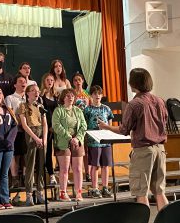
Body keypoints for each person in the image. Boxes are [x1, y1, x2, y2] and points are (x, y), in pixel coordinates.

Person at [98, 68, 169, 210]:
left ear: (133, 83)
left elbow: (124, 129)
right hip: (160, 150)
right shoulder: (160, 101)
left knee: (141, 193)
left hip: (143, 151)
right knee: (159, 192)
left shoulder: (134, 104)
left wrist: (106, 127)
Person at [52, 89, 87, 202]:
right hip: (63, 141)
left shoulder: (78, 110)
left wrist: (77, 138)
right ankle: (63, 193)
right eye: (67, 96)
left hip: (77, 141)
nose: (70, 98)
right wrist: (69, 138)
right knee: (64, 169)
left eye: (72, 96)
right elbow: (56, 126)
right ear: (63, 98)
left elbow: (83, 125)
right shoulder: (58, 110)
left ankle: (78, 192)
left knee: (77, 168)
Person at [19, 84, 48, 206]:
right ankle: (29, 194)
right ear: (28, 93)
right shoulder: (23, 106)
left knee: (42, 164)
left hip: (42, 135)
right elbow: (24, 125)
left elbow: (45, 124)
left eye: (38, 91)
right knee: (30, 165)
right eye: (33, 91)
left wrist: (44, 139)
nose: (36, 93)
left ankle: (40, 192)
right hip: (31, 134)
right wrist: (36, 138)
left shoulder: (40, 106)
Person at [84, 85, 114, 198]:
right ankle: (95, 187)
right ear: (91, 95)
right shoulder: (87, 110)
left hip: (106, 140)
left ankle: (105, 187)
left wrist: (110, 135)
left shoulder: (106, 109)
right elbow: (85, 124)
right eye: (95, 93)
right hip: (94, 140)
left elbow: (110, 123)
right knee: (95, 165)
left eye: (99, 93)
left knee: (105, 165)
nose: (97, 95)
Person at [5, 75, 27, 190]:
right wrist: (19, 121)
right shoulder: (10, 98)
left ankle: (25, 178)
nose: (23, 83)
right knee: (15, 155)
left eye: (25, 81)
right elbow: (10, 112)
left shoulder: (28, 98)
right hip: (15, 130)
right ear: (15, 85)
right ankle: (15, 179)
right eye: (20, 81)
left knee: (25, 155)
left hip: (28, 131)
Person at [72, 72, 92, 182]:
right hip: (75, 124)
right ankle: (76, 172)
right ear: (73, 82)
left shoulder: (87, 94)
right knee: (77, 150)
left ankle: (88, 173)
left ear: (83, 81)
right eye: (75, 80)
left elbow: (90, 108)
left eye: (79, 79)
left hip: (86, 124)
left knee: (87, 151)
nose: (77, 82)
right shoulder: (72, 94)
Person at [40, 73, 59, 185]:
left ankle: (62, 175)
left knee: (59, 152)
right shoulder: (41, 96)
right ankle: (51, 175)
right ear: (44, 81)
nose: (50, 82)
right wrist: (49, 126)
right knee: (47, 153)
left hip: (56, 128)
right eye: (48, 80)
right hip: (46, 128)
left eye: (52, 80)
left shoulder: (56, 96)